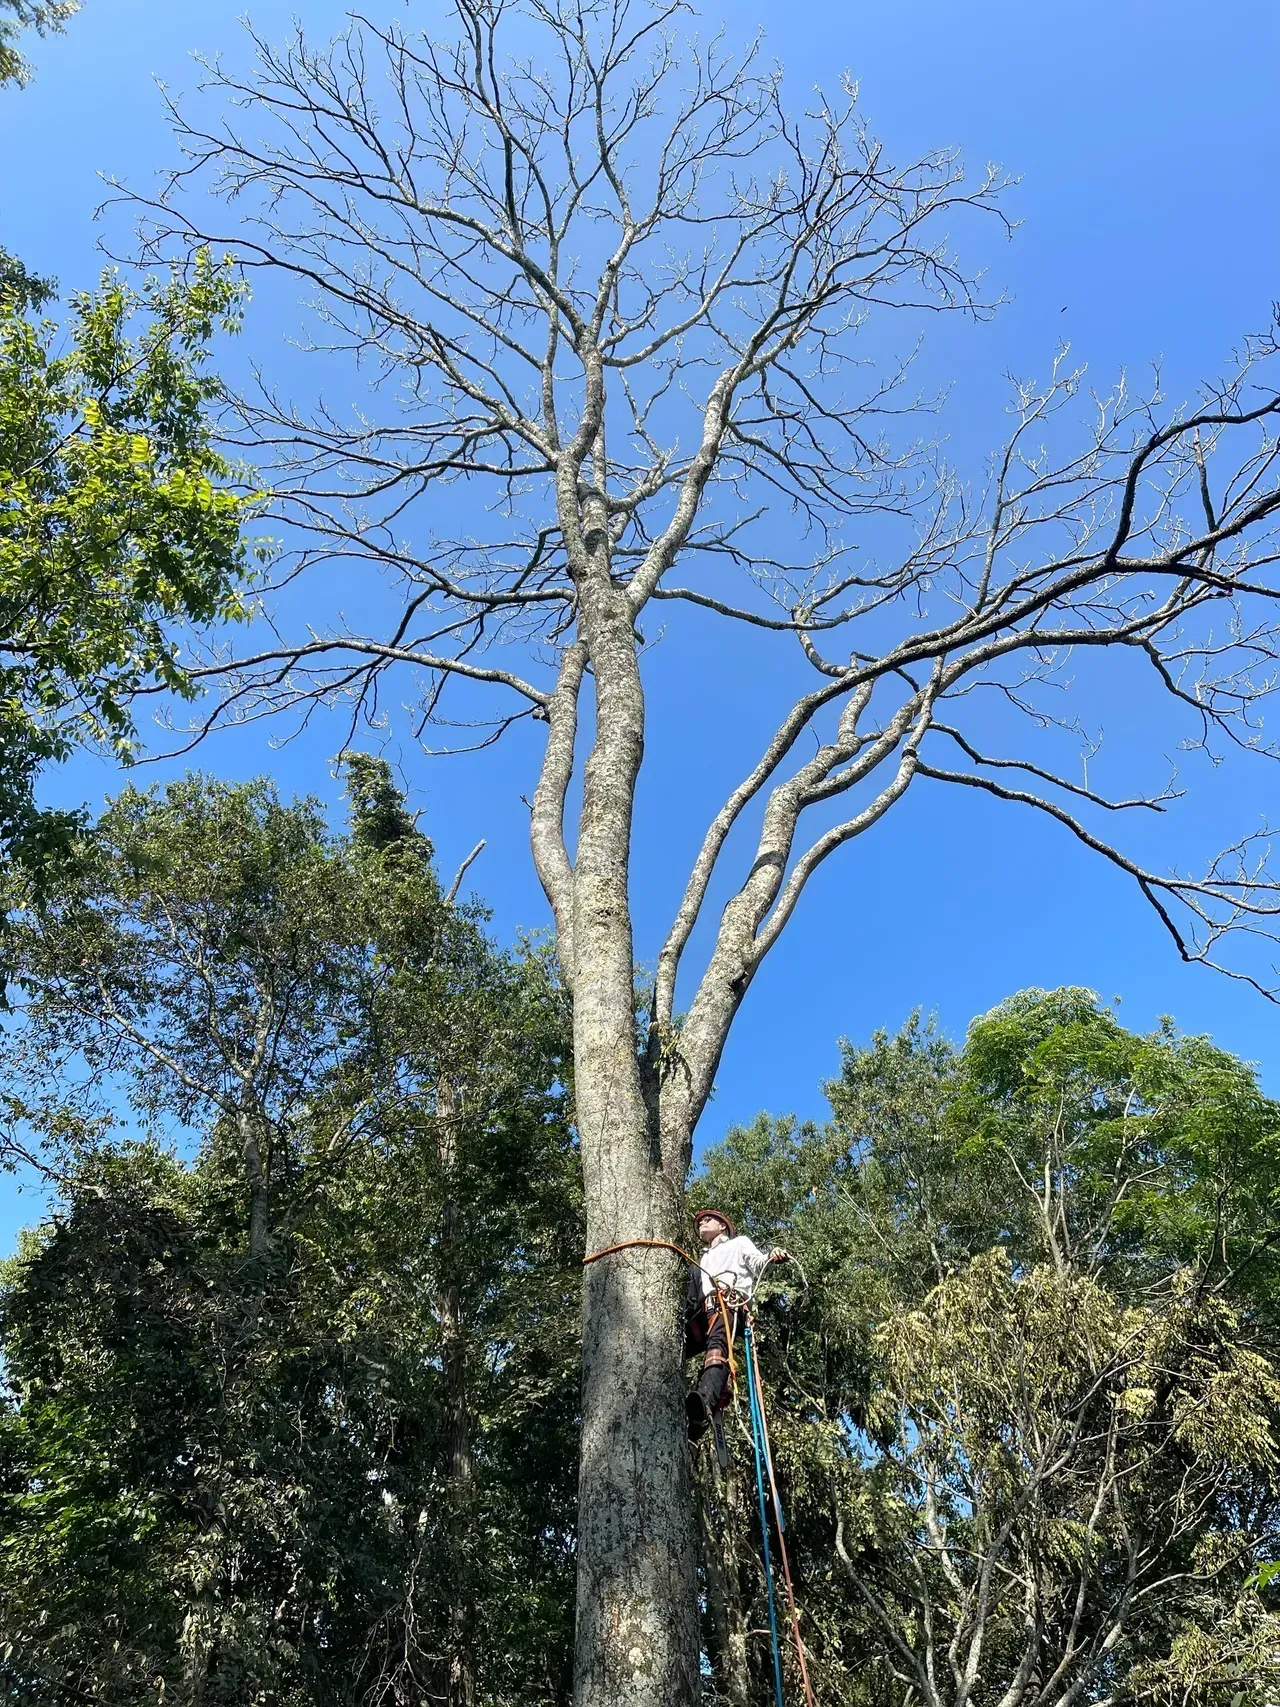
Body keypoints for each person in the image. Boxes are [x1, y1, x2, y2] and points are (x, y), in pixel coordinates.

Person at [685, 1207, 789, 1441]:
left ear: (722, 1226)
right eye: (700, 1221)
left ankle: (705, 1401)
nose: (701, 1223)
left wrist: (772, 1256)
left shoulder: (738, 1243)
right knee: (678, 1345)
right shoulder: (702, 1259)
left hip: (729, 1305)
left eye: (707, 1220)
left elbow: (759, 1263)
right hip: (703, 1311)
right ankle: (694, 1414)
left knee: (717, 1347)